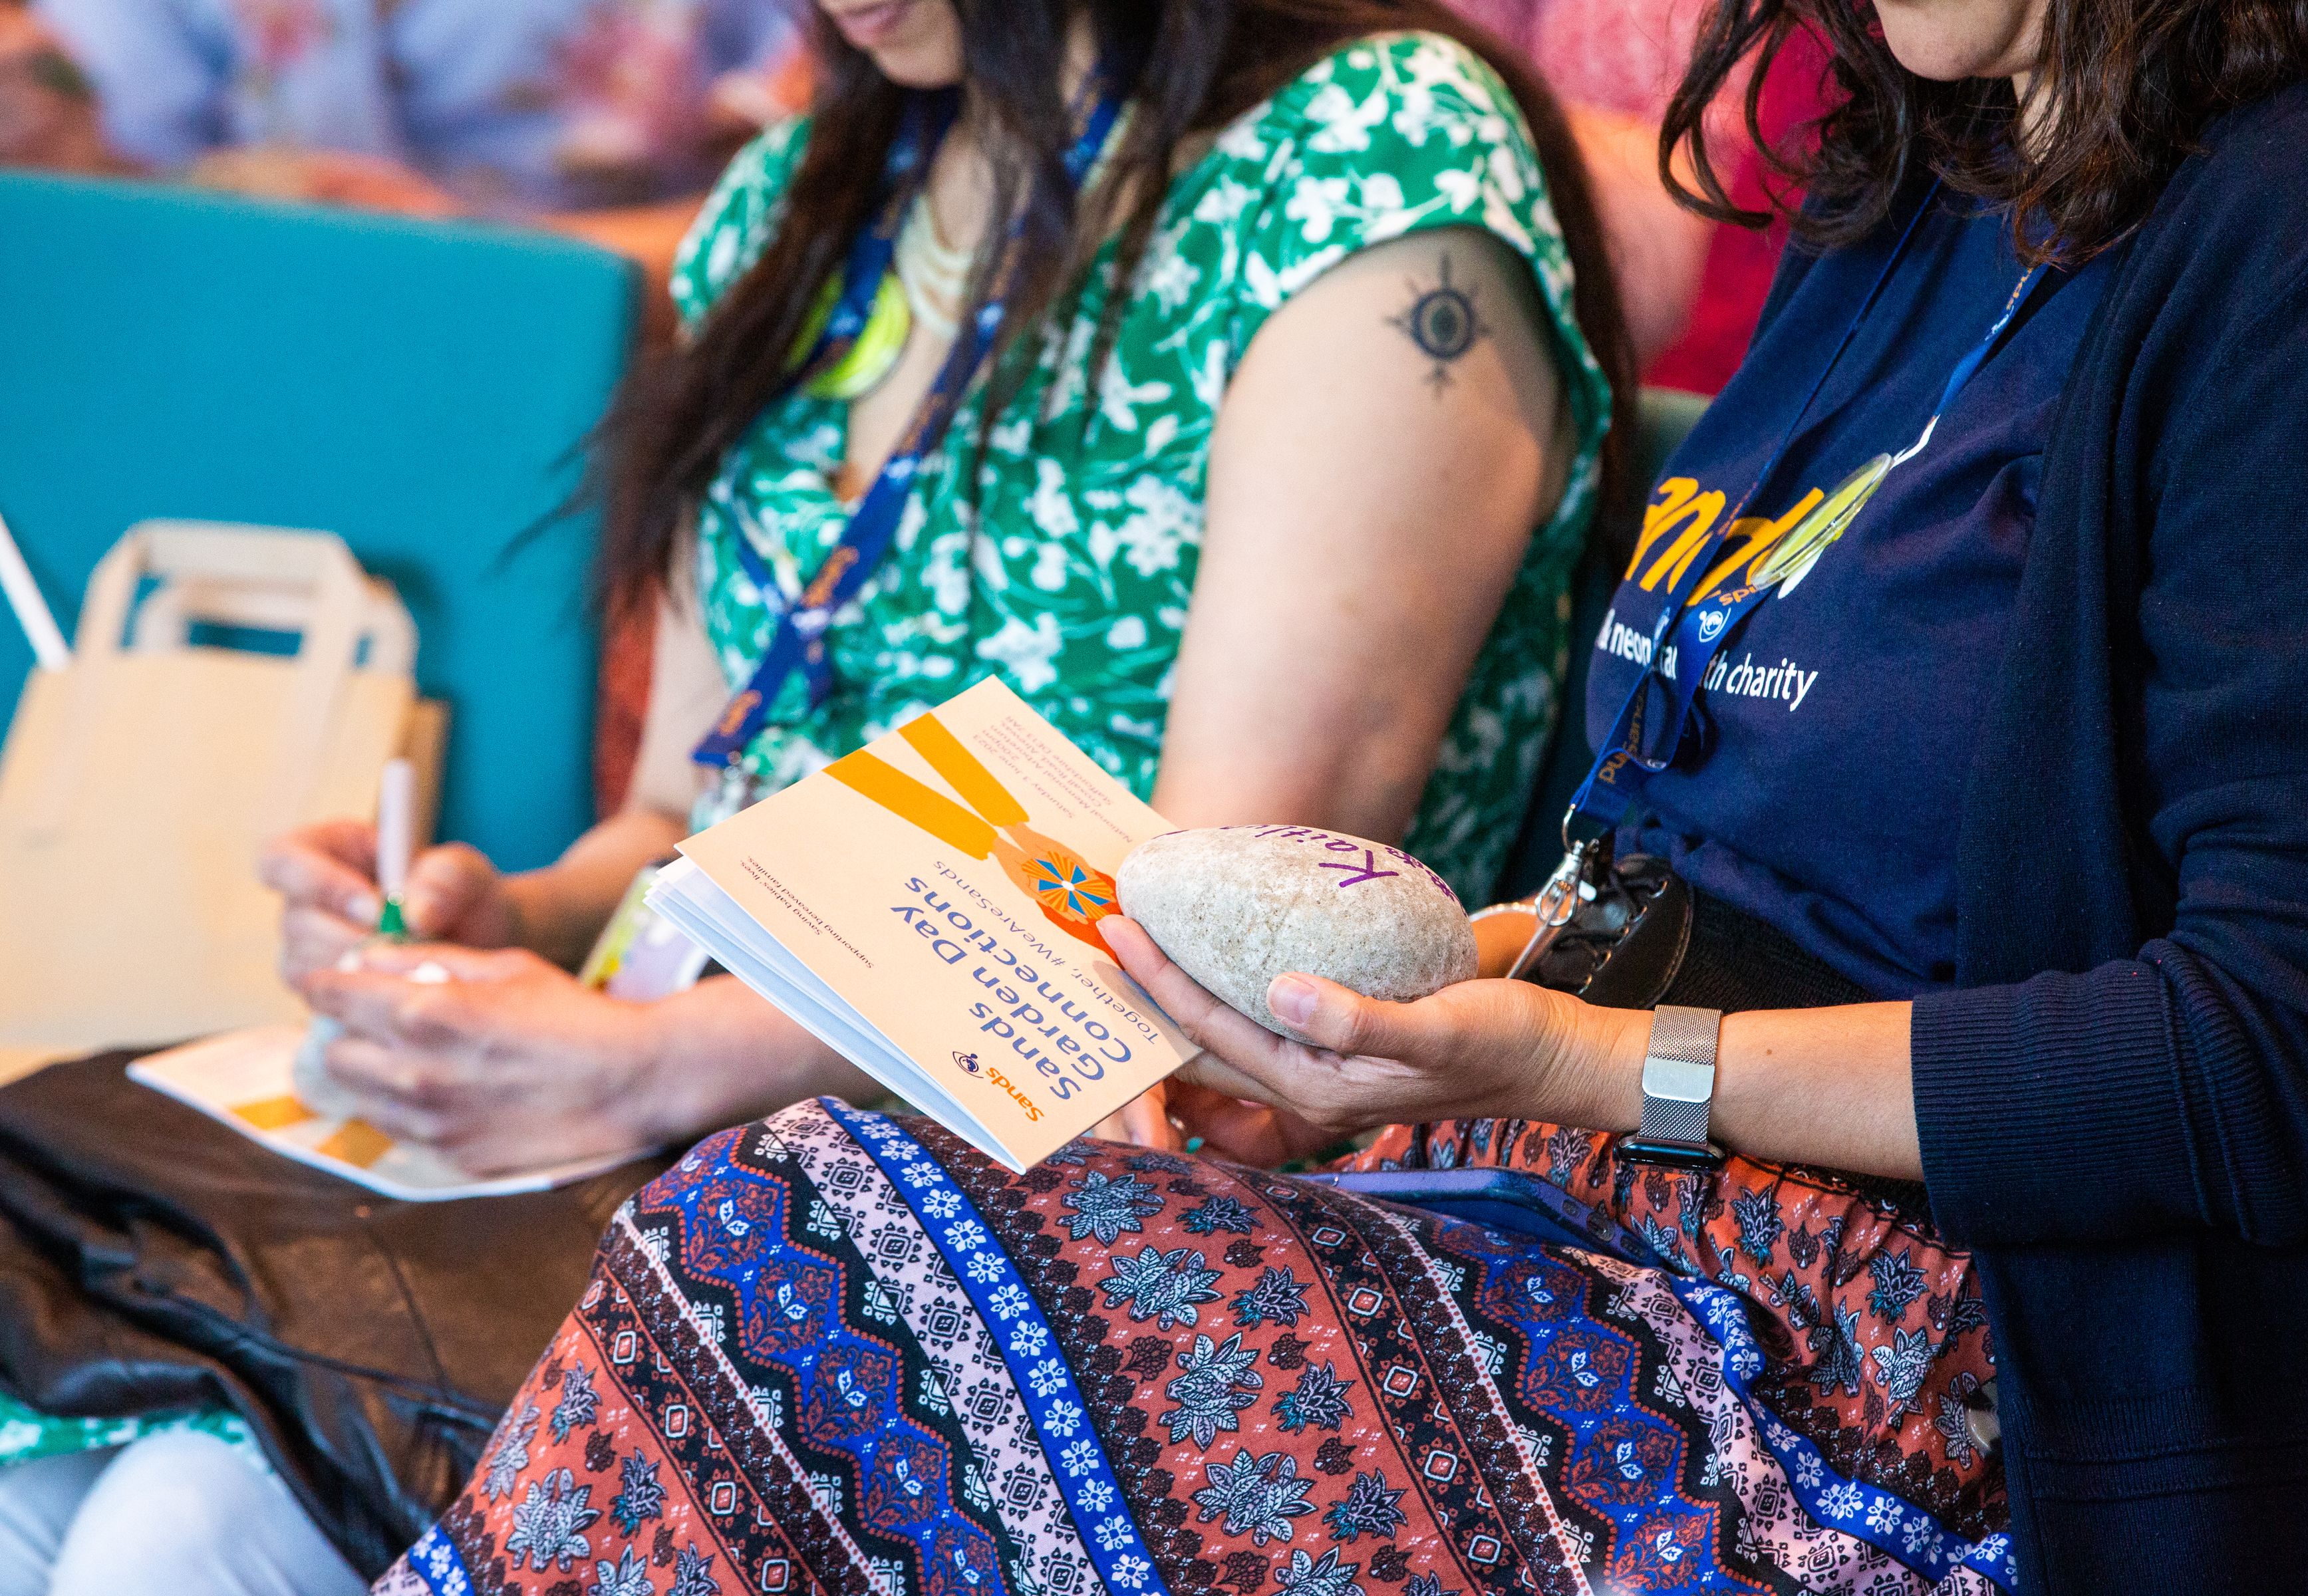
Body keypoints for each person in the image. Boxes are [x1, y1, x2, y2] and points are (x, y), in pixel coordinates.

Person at [378, 0, 2308, 1592]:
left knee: (795, 1240)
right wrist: (1422, 1021)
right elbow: (1720, 837)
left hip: (1928, 1362)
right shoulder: (1924, 163)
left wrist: (1580, 1062)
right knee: (793, 1284)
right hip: (1609, 1197)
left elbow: (2303, 1049)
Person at [0, 0, 1636, 1589]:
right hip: (667, 1132)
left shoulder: (1364, 163)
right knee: (44, 1457)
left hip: (1068, 1193)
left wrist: (643, 1069)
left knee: (176, 1521)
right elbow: (682, 816)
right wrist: (505, 917)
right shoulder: (811, 196)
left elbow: (1209, 942)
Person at [0, 0, 807, 322]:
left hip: (637, 356)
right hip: (230, 338)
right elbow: (108, 188)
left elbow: (848, 203)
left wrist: (480, 272)